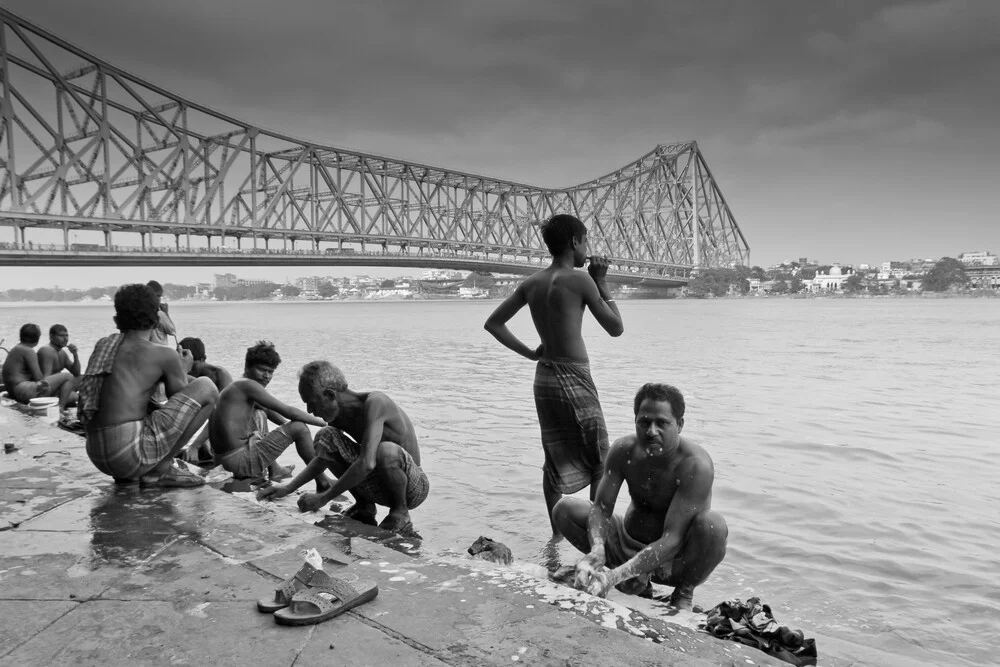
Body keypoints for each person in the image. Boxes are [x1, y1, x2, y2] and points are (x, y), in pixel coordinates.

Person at [484, 213, 624, 533]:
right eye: (586, 241)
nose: (587, 248)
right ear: (574, 242)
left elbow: (493, 324)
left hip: (544, 377)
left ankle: (556, 537)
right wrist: (601, 280)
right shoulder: (582, 280)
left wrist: (532, 353)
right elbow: (616, 328)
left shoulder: (531, 283)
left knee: (554, 457)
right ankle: (594, 536)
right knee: (600, 458)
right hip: (575, 376)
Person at [551, 383, 728, 610]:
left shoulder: (696, 465)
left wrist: (614, 577)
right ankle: (637, 583)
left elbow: (672, 538)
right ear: (635, 421)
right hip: (627, 543)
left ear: (680, 425)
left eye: (662, 423)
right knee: (564, 509)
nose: (651, 431)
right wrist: (597, 548)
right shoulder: (623, 449)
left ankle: (684, 592)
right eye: (644, 422)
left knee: (713, 526)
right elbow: (602, 508)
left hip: (671, 560)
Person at [257, 360, 429, 535]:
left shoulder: (376, 403)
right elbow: (323, 457)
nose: (309, 410)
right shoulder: (338, 417)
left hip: (411, 488)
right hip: (377, 483)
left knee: (385, 450)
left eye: (312, 403)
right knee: (325, 436)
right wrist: (288, 488)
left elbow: (367, 463)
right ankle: (364, 507)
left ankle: (400, 513)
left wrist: (323, 498)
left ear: (330, 395)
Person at [80, 284, 218, 487]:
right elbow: (183, 403)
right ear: (156, 321)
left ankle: (142, 470)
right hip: (128, 456)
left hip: (96, 453)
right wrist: (184, 368)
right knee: (207, 387)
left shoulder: (104, 344)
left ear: (116, 321)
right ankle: (162, 468)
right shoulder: (164, 354)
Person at [209, 341, 329, 486]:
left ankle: (275, 470)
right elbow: (290, 411)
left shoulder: (239, 386)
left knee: (262, 414)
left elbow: (269, 410)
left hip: (223, 462)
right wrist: (326, 422)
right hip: (237, 463)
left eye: (270, 372)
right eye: (261, 370)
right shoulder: (248, 385)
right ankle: (323, 481)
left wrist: (285, 427)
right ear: (247, 367)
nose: (266, 376)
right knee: (300, 428)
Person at [1, 323, 75, 409]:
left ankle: (61, 401)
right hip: (23, 390)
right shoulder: (28, 351)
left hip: (13, 391)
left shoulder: (17, 348)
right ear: (37, 337)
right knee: (68, 376)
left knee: (71, 395)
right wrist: (55, 381)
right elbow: (39, 378)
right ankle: (60, 408)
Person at [146, 280, 176, 347]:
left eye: (160, 297)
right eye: (157, 296)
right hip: (160, 351)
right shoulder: (160, 315)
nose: (159, 299)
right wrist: (166, 313)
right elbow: (172, 331)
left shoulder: (140, 313)